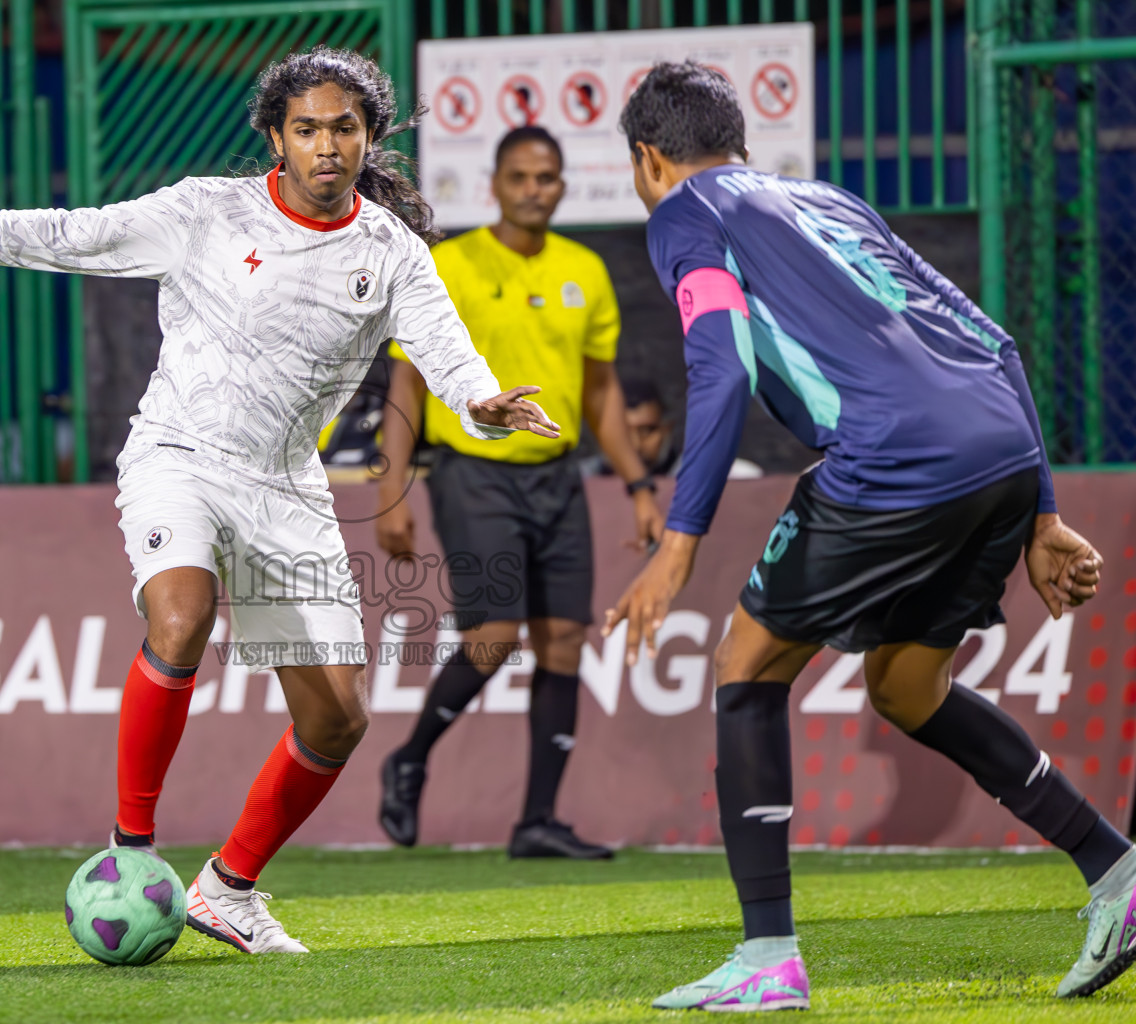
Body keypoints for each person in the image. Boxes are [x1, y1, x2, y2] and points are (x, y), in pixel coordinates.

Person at [0, 46, 560, 955]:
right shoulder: (204, 212)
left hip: (287, 488)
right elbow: (65, 234)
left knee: (338, 719)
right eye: (305, 128)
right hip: (180, 456)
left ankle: (229, 888)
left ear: (368, 135)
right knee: (180, 618)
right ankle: (129, 851)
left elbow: (447, 353)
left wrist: (483, 404)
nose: (325, 145)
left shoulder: (390, 252)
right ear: (275, 135)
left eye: (343, 127)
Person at [606, 62, 1133, 1010]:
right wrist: (1043, 511)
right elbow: (998, 342)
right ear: (741, 139)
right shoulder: (828, 201)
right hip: (1001, 445)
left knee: (749, 667)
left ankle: (768, 956)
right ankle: (1116, 869)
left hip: (891, 458)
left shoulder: (685, 214)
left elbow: (720, 370)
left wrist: (678, 543)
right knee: (905, 683)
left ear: (648, 158)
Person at [375, 126, 664, 859]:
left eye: (547, 177)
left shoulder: (586, 271)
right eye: (521, 177)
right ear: (495, 185)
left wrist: (637, 484)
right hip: (473, 472)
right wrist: (391, 489)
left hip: (558, 474)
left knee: (565, 639)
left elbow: (601, 391)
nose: (535, 189)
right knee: (494, 637)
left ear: (563, 186)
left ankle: (538, 820)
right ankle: (408, 760)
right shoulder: (450, 265)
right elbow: (406, 381)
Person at [621, 377, 761, 480]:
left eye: (646, 431)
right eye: (624, 432)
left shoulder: (717, 477)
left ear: (667, 429)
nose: (636, 444)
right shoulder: (598, 480)